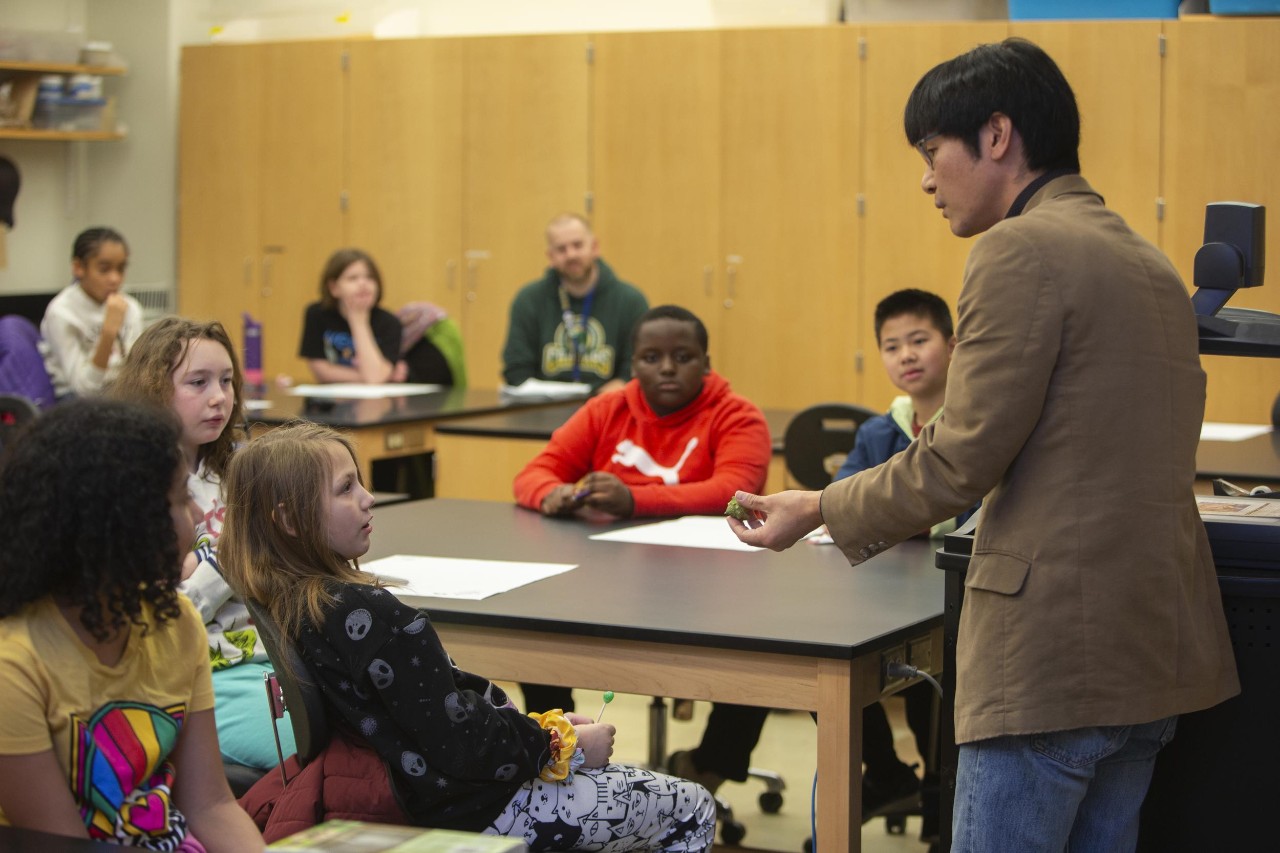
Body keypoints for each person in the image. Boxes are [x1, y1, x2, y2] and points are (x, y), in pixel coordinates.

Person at [729, 38, 1239, 852]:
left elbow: (956, 459)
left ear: (997, 135)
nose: (927, 180)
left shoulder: (1018, 248)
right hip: (1153, 652)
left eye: (932, 152)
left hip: (1053, 662)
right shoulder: (1147, 261)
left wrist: (818, 505)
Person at [218, 422, 716, 851]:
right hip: (468, 804)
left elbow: (433, 718)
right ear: (288, 519)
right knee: (692, 807)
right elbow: (464, 745)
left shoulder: (292, 603)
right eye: (346, 488)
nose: (368, 497)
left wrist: (533, 730)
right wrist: (562, 745)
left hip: (403, 787)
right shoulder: (369, 615)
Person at [514, 304, 772, 791]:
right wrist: (553, 494)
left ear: (706, 362)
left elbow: (735, 490)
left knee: (766, 651)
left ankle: (710, 767)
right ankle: (558, 753)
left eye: (683, 357)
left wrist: (634, 499)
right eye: (652, 358)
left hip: (713, 589)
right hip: (610, 583)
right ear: (633, 364)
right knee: (536, 630)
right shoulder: (606, 409)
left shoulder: (738, 415)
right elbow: (534, 472)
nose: (667, 368)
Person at [0, 398, 264, 850]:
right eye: (180, 498)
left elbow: (211, 805)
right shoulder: (14, 664)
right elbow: (60, 845)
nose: (198, 516)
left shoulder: (176, 621)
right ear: (121, 523)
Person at [109, 316, 295, 770]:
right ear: (152, 391)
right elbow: (162, 617)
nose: (219, 398)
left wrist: (210, 563)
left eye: (227, 381)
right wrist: (230, 558)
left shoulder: (237, 472)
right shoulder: (126, 487)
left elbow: (276, 578)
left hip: (274, 656)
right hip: (199, 676)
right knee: (319, 747)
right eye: (198, 382)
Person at [502, 213, 649, 394]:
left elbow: (637, 369)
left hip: (608, 405)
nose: (571, 255)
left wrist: (603, 398)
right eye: (561, 249)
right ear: (550, 256)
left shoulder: (630, 301)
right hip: (544, 406)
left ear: (594, 247)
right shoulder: (529, 300)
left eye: (577, 245)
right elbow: (516, 370)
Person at [40, 227, 143, 398]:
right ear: (78, 267)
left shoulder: (130, 307)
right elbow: (85, 390)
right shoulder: (61, 312)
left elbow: (136, 370)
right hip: (76, 400)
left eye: (121, 269)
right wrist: (108, 333)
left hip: (120, 393)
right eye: (104, 269)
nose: (115, 279)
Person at [300, 248, 406, 385]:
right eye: (352, 278)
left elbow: (375, 378)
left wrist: (359, 322)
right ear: (334, 288)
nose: (363, 284)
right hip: (332, 395)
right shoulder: (316, 314)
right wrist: (372, 376)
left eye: (370, 277)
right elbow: (321, 371)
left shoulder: (390, 322)